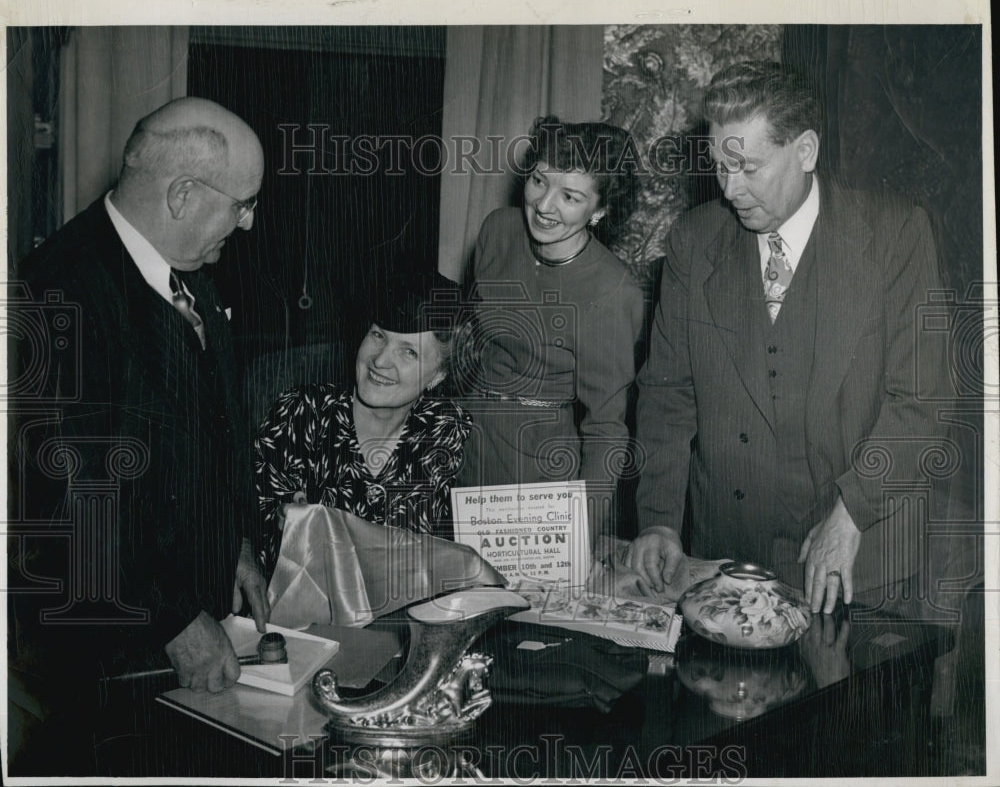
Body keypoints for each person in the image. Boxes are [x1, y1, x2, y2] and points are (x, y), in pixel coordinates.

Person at [626, 62, 951, 616]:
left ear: (804, 151)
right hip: (728, 564)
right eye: (719, 167)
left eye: (747, 167)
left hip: (862, 564)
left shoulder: (896, 235)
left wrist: (851, 511)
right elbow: (667, 394)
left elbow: (922, 402)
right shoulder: (693, 242)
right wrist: (658, 517)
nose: (730, 189)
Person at [8, 97, 270, 773]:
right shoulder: (58, 293)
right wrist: (174, 621)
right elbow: (69, 503)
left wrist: (232, 539)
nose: (250, 222)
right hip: (113, 651)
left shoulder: (186, 270)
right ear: (182, 193)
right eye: (243, 202)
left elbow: (208, 429)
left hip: (181, 629)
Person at [457, 116, 644, 533]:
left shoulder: (613, 292)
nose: (544, 205)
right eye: (539, 180)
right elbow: (471, 339)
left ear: (600, 210)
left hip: (539, 471)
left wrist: (583, 529)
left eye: (570, 196)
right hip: (465, 446)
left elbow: (606, 428)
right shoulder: (498, 230)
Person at [254, 270, 472, 573]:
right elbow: (246, 530)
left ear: (438, 376)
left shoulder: (449, 433)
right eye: (378, 336)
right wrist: (280, 522)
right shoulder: (300, 413)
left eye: (408, 352)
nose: (380, 360)